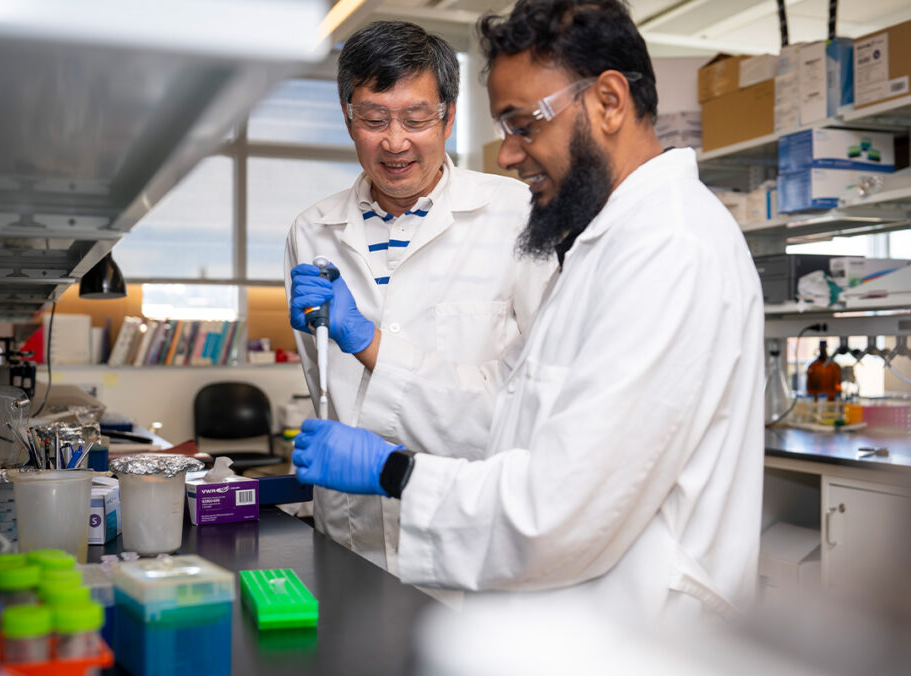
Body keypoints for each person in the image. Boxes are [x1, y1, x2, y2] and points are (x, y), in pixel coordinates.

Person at [291, 0, 765, 626]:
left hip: (642, 631)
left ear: (609, 101)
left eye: (522, 124)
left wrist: (393, 469)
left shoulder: (669, 249)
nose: (509, 154)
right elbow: (516, 408)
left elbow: (562, 509)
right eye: (374, 119)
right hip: (551, 603)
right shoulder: (605, 242)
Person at [285, 21, 555, 574]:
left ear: (449, 117)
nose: (395, 141)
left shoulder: (518, 215)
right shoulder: (311, 231)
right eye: (374, 118)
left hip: (469, 535)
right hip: (350, 532)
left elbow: (530, 401)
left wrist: (368, 342)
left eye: (416, 118)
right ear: (348, 118)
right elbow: (324, 385)